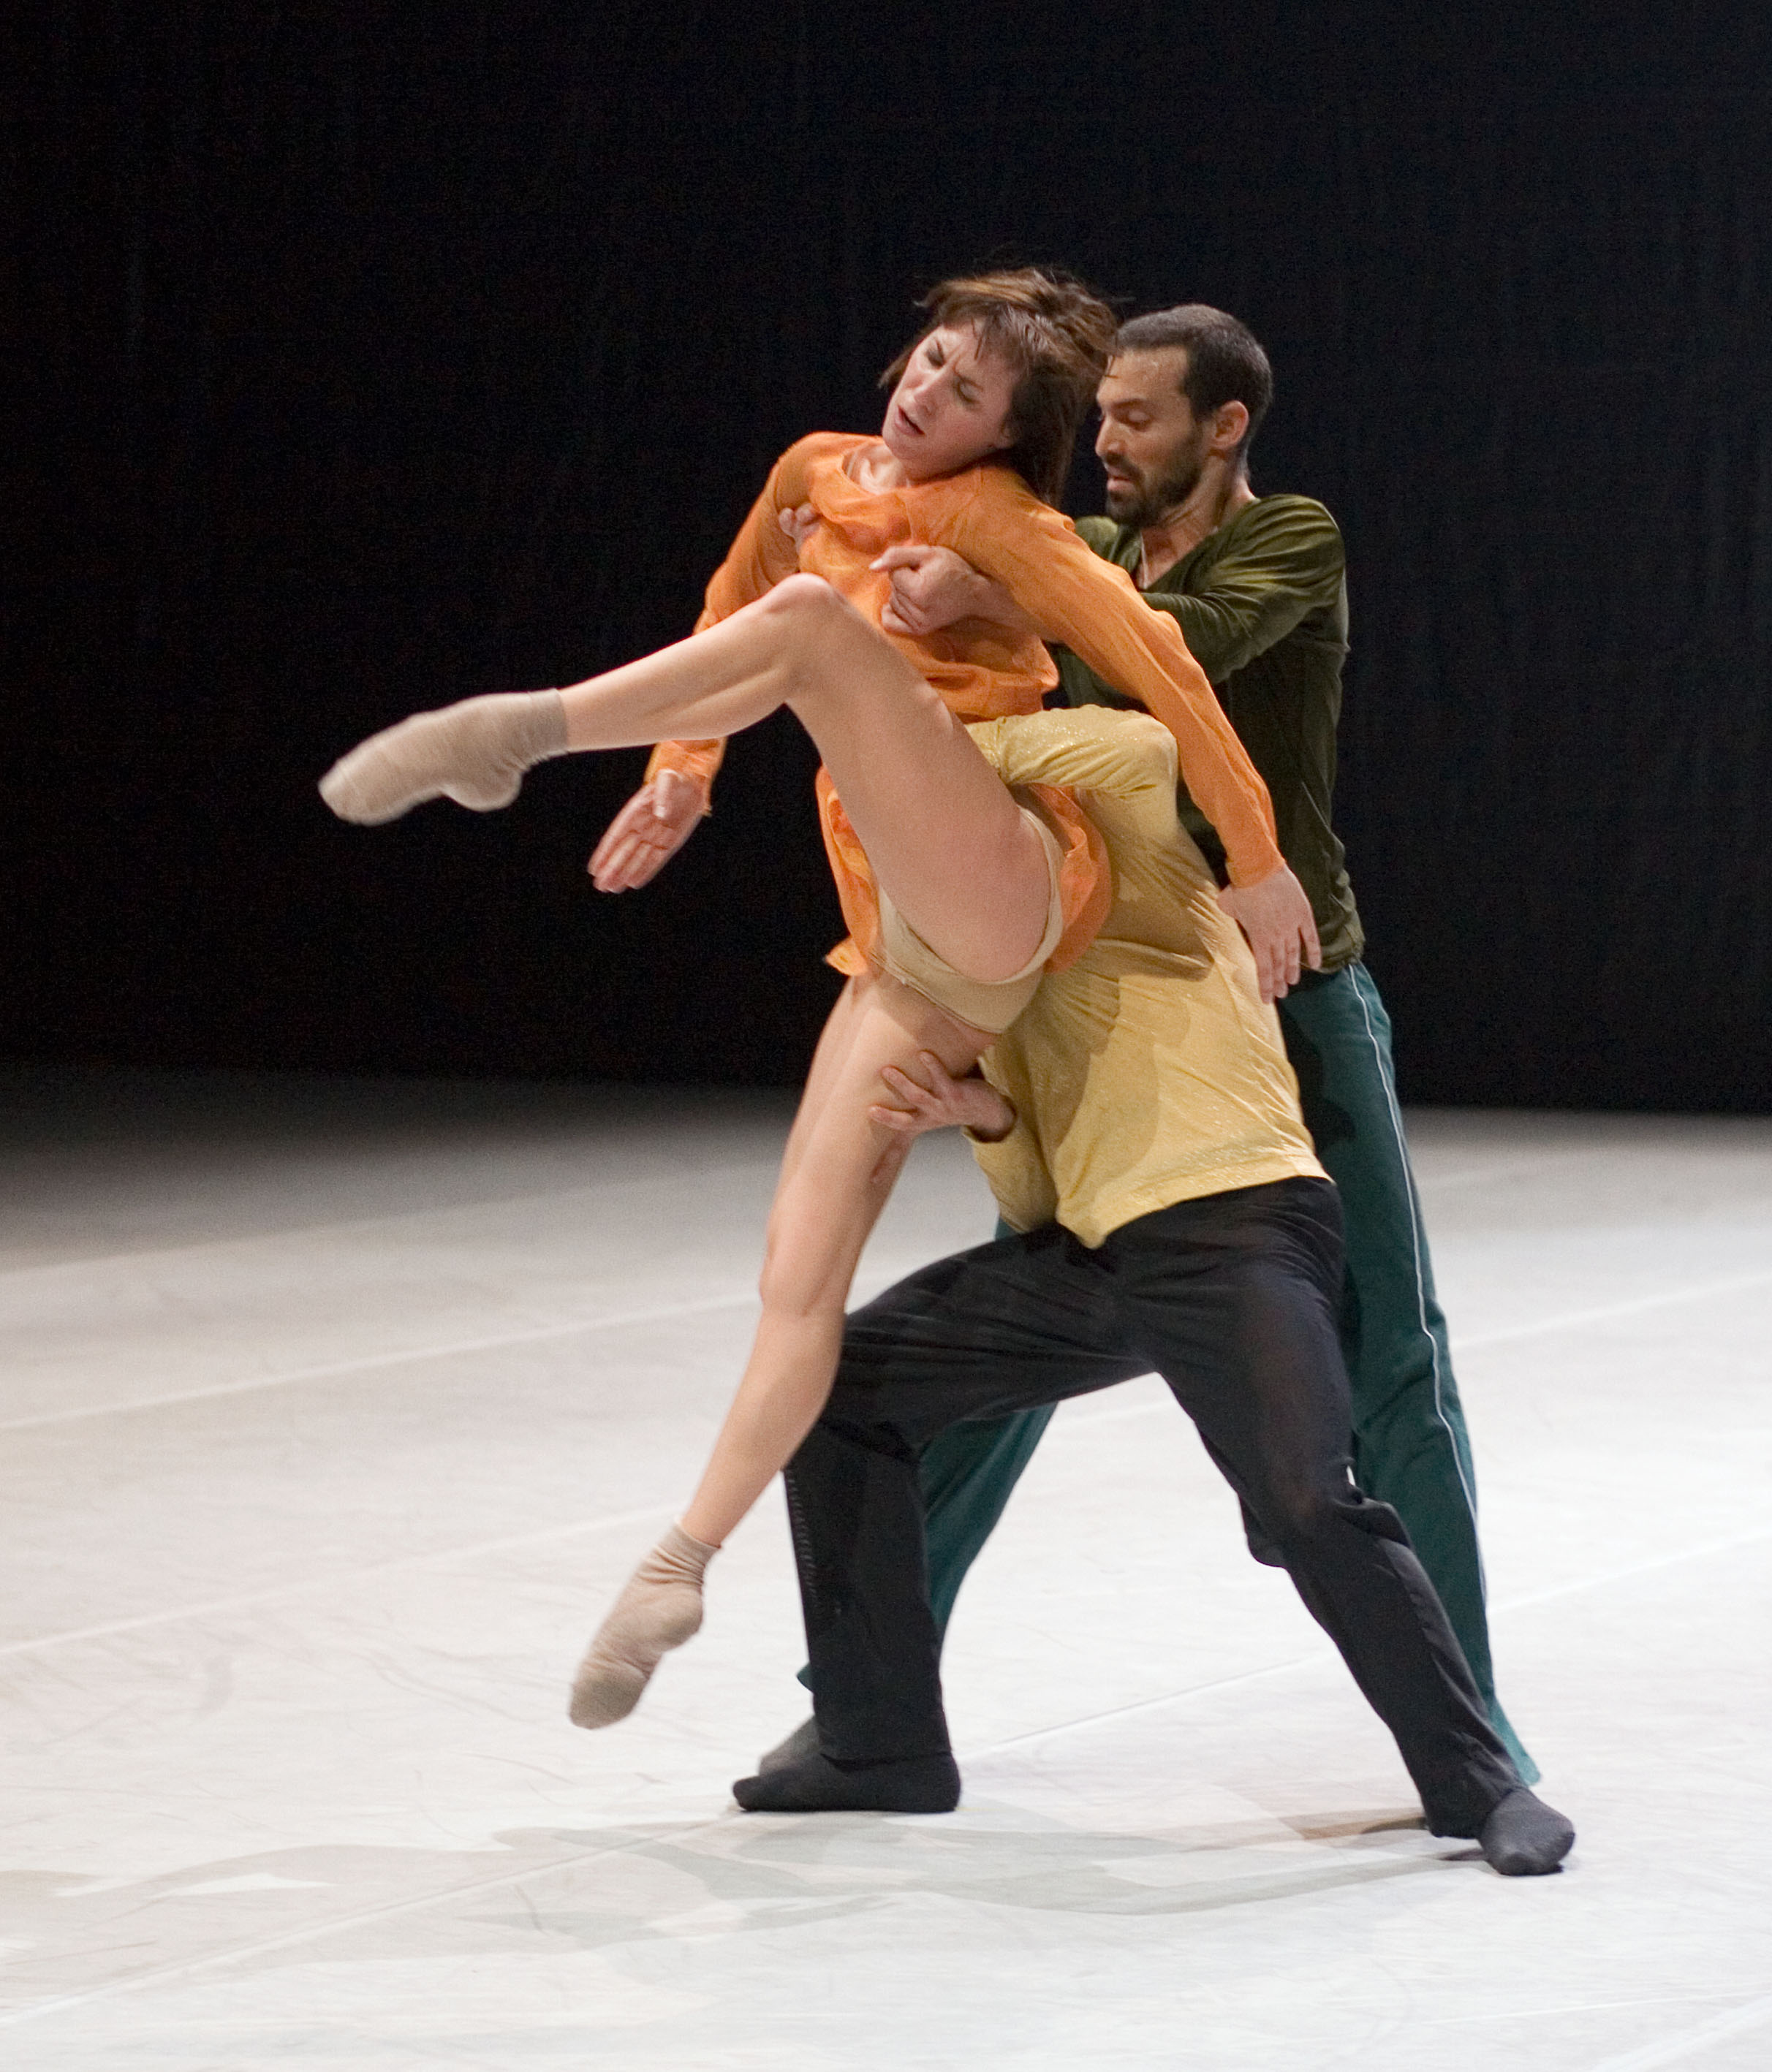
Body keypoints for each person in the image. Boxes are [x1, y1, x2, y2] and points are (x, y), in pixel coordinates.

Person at [318, 270, 1317, 1732]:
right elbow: (725, 604)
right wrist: (684, 771)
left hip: (1006, 868)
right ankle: (679, 1564)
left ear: (1004, 434)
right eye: (927, 362)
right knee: (798, 1272)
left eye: (964, 394)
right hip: (903, 946)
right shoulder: (814, 473)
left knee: (810, 630)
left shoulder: (997, 522)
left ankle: (513, 735)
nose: (924, 395)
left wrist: (1261, 858)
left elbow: (1163, 667)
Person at [746, 303, 1535, 1783]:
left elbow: (1185, 647)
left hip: (1292, 988)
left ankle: (1473, 1717)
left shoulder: (1289, 539)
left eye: (1141, 419)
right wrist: (886, 575)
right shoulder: (1073, 551)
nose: (1105, 442)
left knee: (1388, 1350)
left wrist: (997, 585)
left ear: (1223, 428)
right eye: (1098, 415)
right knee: (989, 1363)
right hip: (1111, 999)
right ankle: (864, 1693)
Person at [727, 701, 1574, 1879]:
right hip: (1104, 1259)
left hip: (1240, 1225)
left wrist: (913, 763)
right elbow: (1040, 1199)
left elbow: (1143, 746)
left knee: (1304, 1500)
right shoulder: (999, 966)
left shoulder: (1138, 851)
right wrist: (986, 1115)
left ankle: (1478, 1787)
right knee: (845, 1382)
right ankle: (880, 1744)